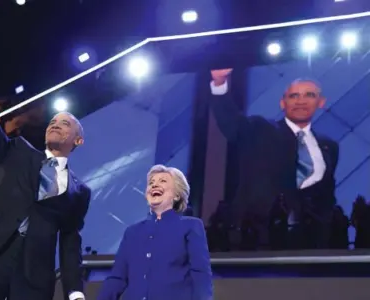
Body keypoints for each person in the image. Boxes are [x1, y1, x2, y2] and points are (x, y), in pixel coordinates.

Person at [0, 12, 90, 300]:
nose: (55, 124)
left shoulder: (79, 192)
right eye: (53, 121)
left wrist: (75, 292)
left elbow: (70, 242)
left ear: (78, 140)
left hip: (34, 275)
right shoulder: (18, 153)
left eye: (65, 123)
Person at [209, 69, 339, 249]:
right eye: (294, 95)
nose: (300, 101)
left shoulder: (329, 146)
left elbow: (327, 192)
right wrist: (219, 82)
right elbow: (231, 123)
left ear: (321, 102)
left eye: (309, 95)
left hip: (311, 243)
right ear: (282, 103)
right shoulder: (260, 130)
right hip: (259, 238)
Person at [97, 165, 213, 300]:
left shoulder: (191, 226)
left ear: (177, 195)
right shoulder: (132, 233)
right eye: (151, 183)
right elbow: (117, 279)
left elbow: (200, 274)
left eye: (162, 181)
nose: (154, 185)